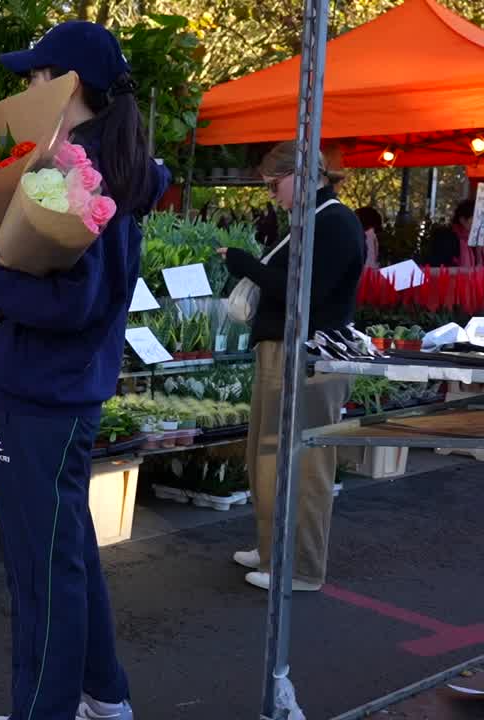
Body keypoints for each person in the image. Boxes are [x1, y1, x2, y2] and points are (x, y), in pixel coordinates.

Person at [0, 21, 168, 720]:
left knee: (41, 570)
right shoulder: (98, 163)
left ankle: (42, 711)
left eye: (36, 77)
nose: (27, 89)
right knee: (65, 550)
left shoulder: (87, 174)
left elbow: (70, 302)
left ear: (69, 85)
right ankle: (105, 695)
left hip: (46, 394)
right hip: (62, 388)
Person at [219, 142, 364, 593]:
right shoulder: (316, 220)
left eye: (272, 184)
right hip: (285, 350)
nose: (270, 194)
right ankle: (271, 551)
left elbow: (306, 293)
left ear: (301, 175)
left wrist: (244, 263)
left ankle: (299, 568)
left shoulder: (335, 222)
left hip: (306, 355)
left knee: (302, 465)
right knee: (267, 457)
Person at [424, 198, 478, 267]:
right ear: (463, 220)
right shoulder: (445, 238)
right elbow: (437, 266)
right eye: (476, 219)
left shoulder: (477, 241)